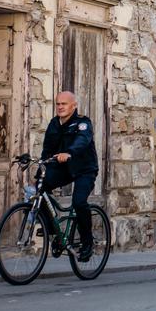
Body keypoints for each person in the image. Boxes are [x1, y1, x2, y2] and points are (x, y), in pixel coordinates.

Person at [41, 91, 98, 261]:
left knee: (79, 202)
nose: (60, 107)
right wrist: (41, 168)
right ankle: (53, 231)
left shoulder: (82, 123)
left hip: (84, 169)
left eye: (64, 104)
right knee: (40, 188)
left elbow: (83, 140)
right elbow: (48, 149)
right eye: (58, 104)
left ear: (73, 106)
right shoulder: (54, 124)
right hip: (64, 168)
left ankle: (87, 243)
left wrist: (69, 152)